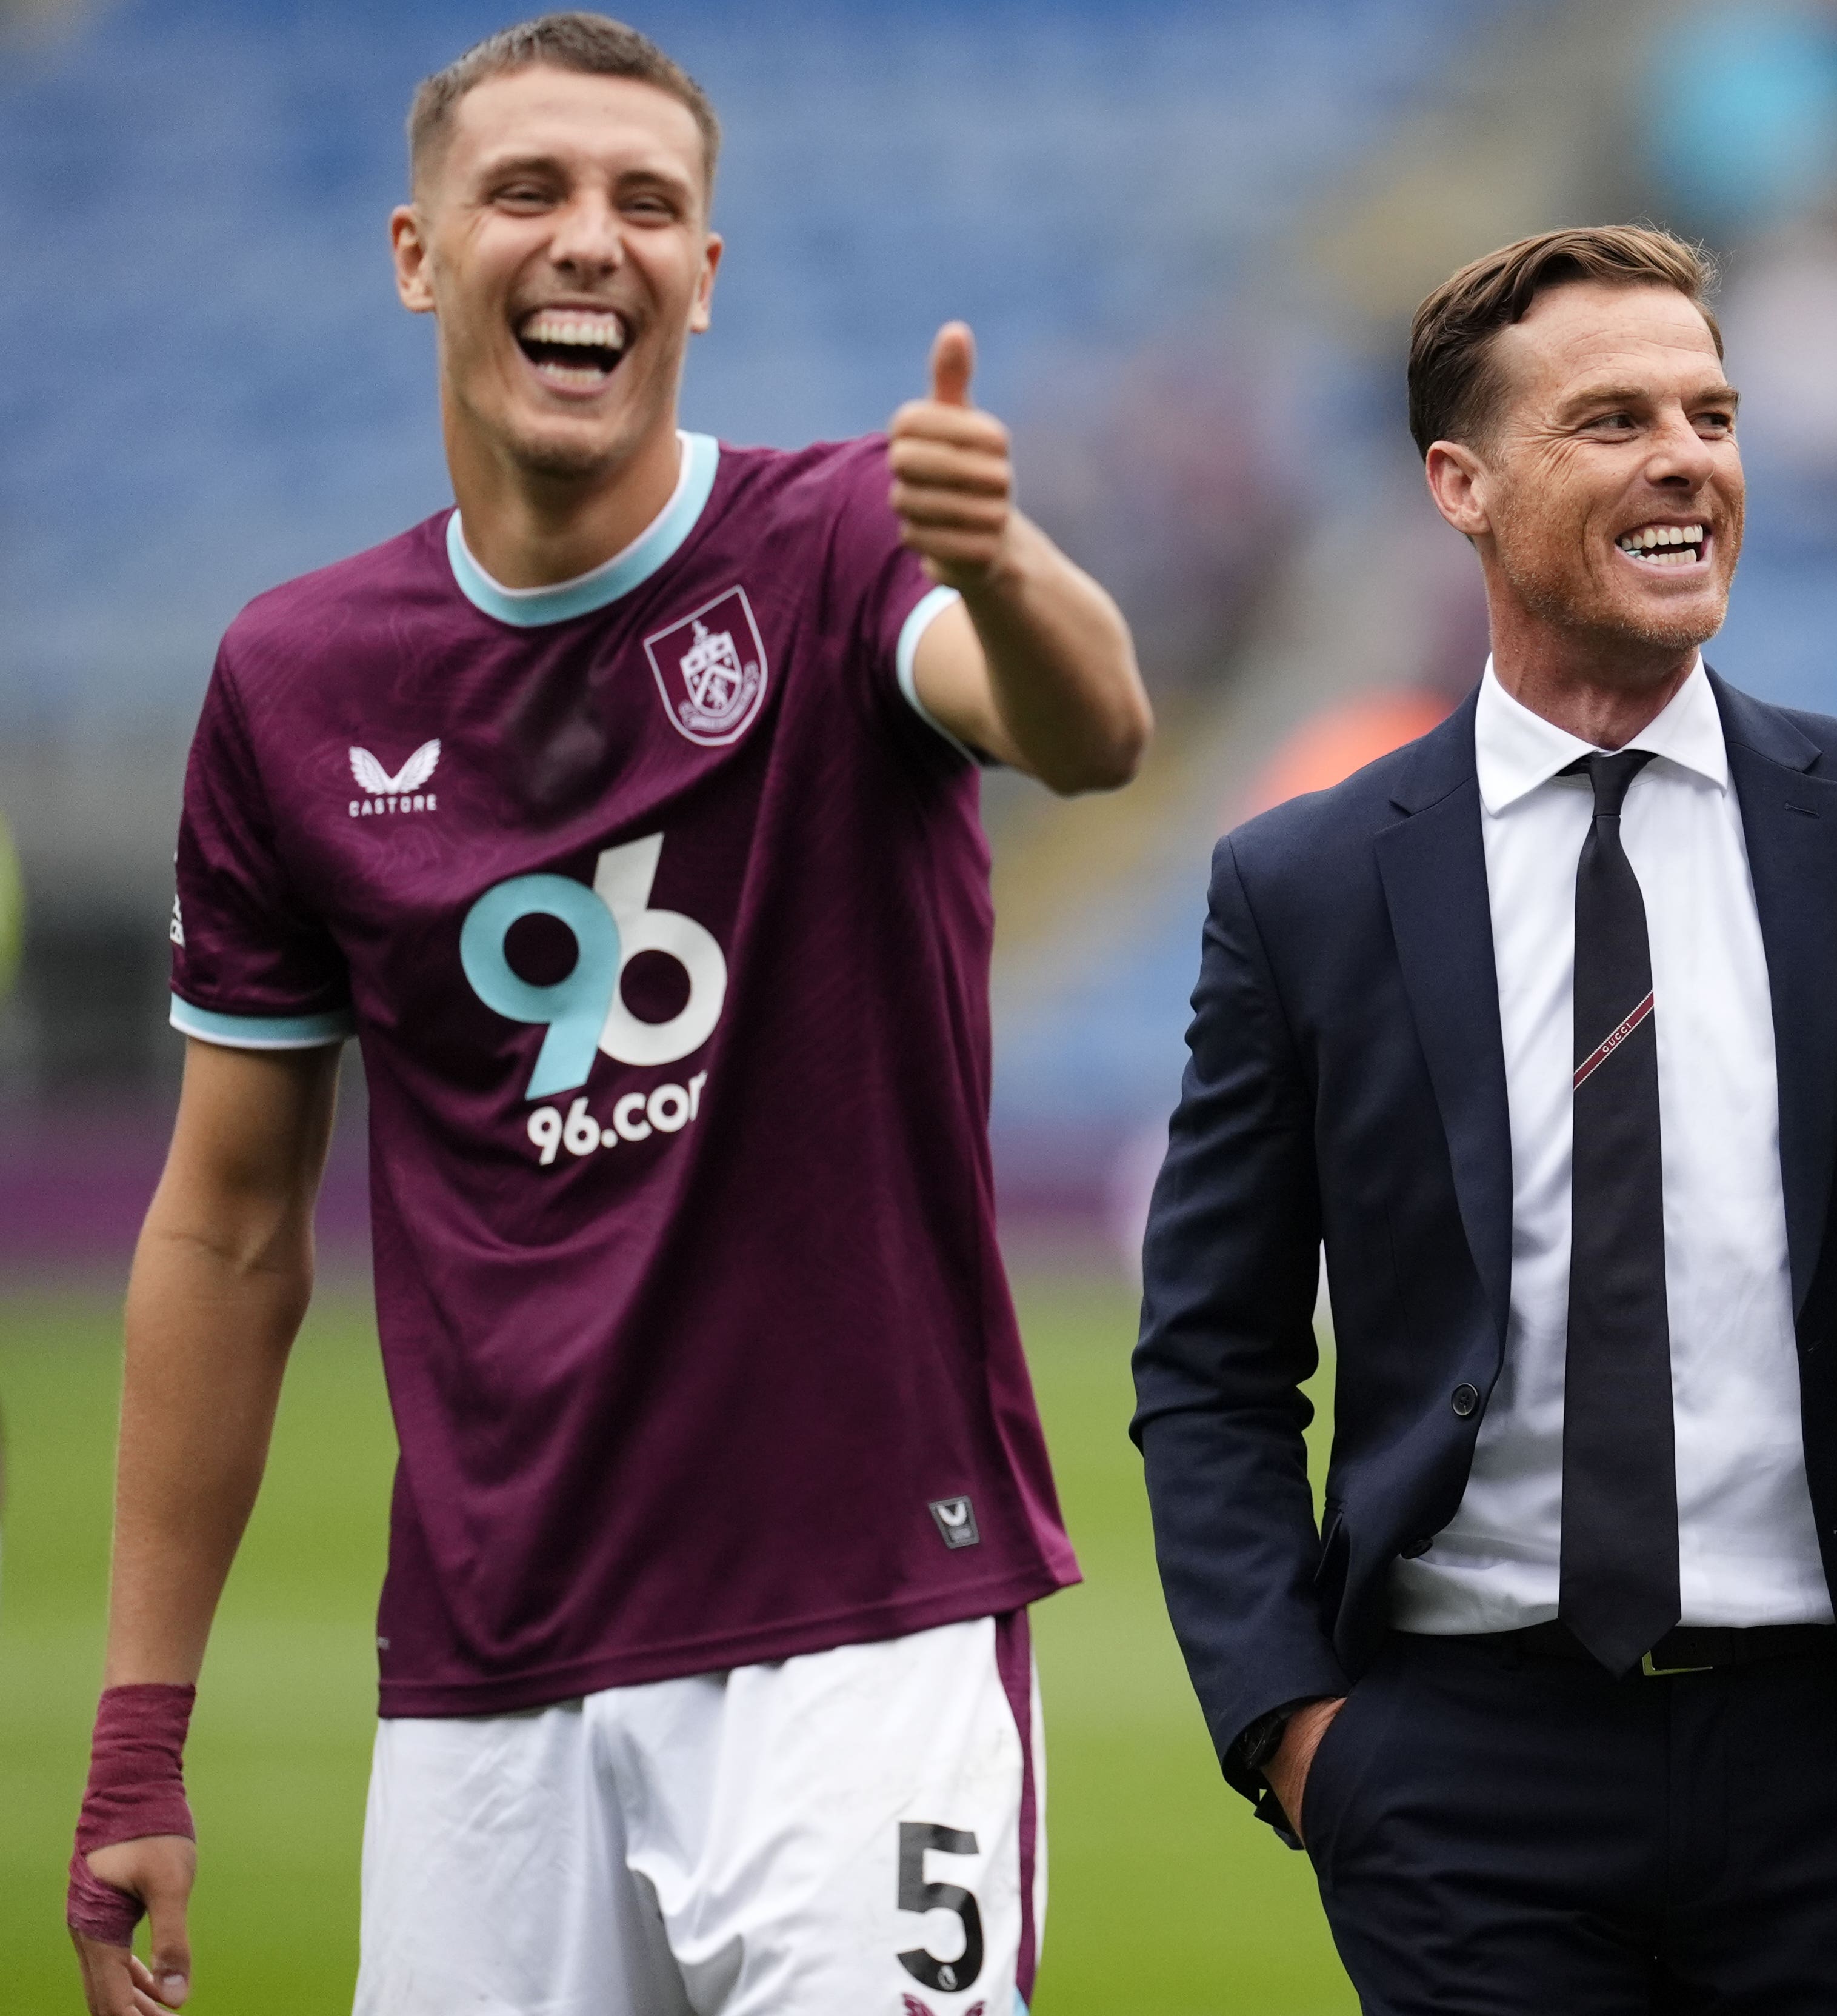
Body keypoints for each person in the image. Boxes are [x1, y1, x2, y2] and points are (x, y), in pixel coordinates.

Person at [66, 16, 1150, 2016]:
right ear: (416, 253)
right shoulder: (293, 685)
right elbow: (224, 1228)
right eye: (531, 194)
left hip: (857, 1643)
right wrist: (142, 1727)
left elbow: (1086, 729)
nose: (592, 241)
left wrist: (1000, 567)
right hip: (489, 1680)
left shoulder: (837, 546)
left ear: (706, 279)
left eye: (648, 205)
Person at [1131, 225, 1837, 2012]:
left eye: (1712, 412)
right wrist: (1294, 1730)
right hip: (1462, 1772)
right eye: (1610, 419)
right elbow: (1210, 1358)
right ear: (1460, 484)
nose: (1686, 457)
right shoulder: (1304, 886)